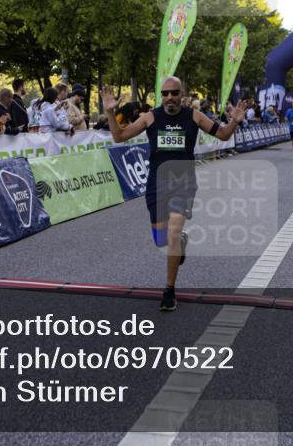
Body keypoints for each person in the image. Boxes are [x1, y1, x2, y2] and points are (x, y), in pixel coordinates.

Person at [102, 77, 247, 313]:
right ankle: (180, 244)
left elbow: (222, 135)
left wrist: (235, 122)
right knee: (162, 240)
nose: (169, 97)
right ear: (161, 95)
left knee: (172, 233)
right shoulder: (150, 117)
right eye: (165, 93)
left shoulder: (194, 116)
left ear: (182, 94)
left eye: (174, 93)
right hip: (156, 184)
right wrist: (110, 112)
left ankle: (169, 290)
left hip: (184, 181)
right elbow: (119, 137)